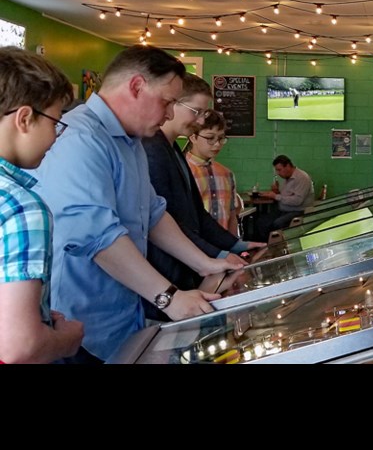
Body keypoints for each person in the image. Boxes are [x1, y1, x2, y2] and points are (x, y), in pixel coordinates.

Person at [34, 46, 243, 363]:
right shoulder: (81, 139)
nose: (170, 114)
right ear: (136, 87)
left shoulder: (132, 142)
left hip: (124, 317)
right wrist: (169, 298)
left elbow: (155, 212)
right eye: (167, 102)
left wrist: (206, 263)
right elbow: (98, 237)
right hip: (80, 328)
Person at [142, 73, 261, 322]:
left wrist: (235, 245)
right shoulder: (152, 148)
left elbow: (197, 214)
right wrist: (212, 257)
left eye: (203, 114)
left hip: (188, 266)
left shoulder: (172, 147)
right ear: (172, 102)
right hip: (166, 271)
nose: (199, 121)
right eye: (195, 111)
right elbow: (167, 220)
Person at [0, 47, 84, 363]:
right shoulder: (21, 207)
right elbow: (20, 346)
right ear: (24, 118)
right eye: (55, 122)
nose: (56, 136)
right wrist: (67, 338)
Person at [185, 108, 240, 235]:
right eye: (210, 138)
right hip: (194, 248)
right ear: (193, 137)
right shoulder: (182, 170)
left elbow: (232, 216)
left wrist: (234, 246)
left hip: (224, 249)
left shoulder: (226, 174)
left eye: (221, 138)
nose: (217, 144)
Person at [256, 155, 314, 239]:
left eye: (279, 170)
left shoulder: (302, 178)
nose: (278, 173)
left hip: (298, 211)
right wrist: (276, 192)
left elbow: (297, 201)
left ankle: (275, 244)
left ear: (287, 166)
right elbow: (286, 197)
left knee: (277, 223)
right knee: (261, 221)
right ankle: (266, 245)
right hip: (284, 210)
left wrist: (275, 196)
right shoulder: (288, 178)